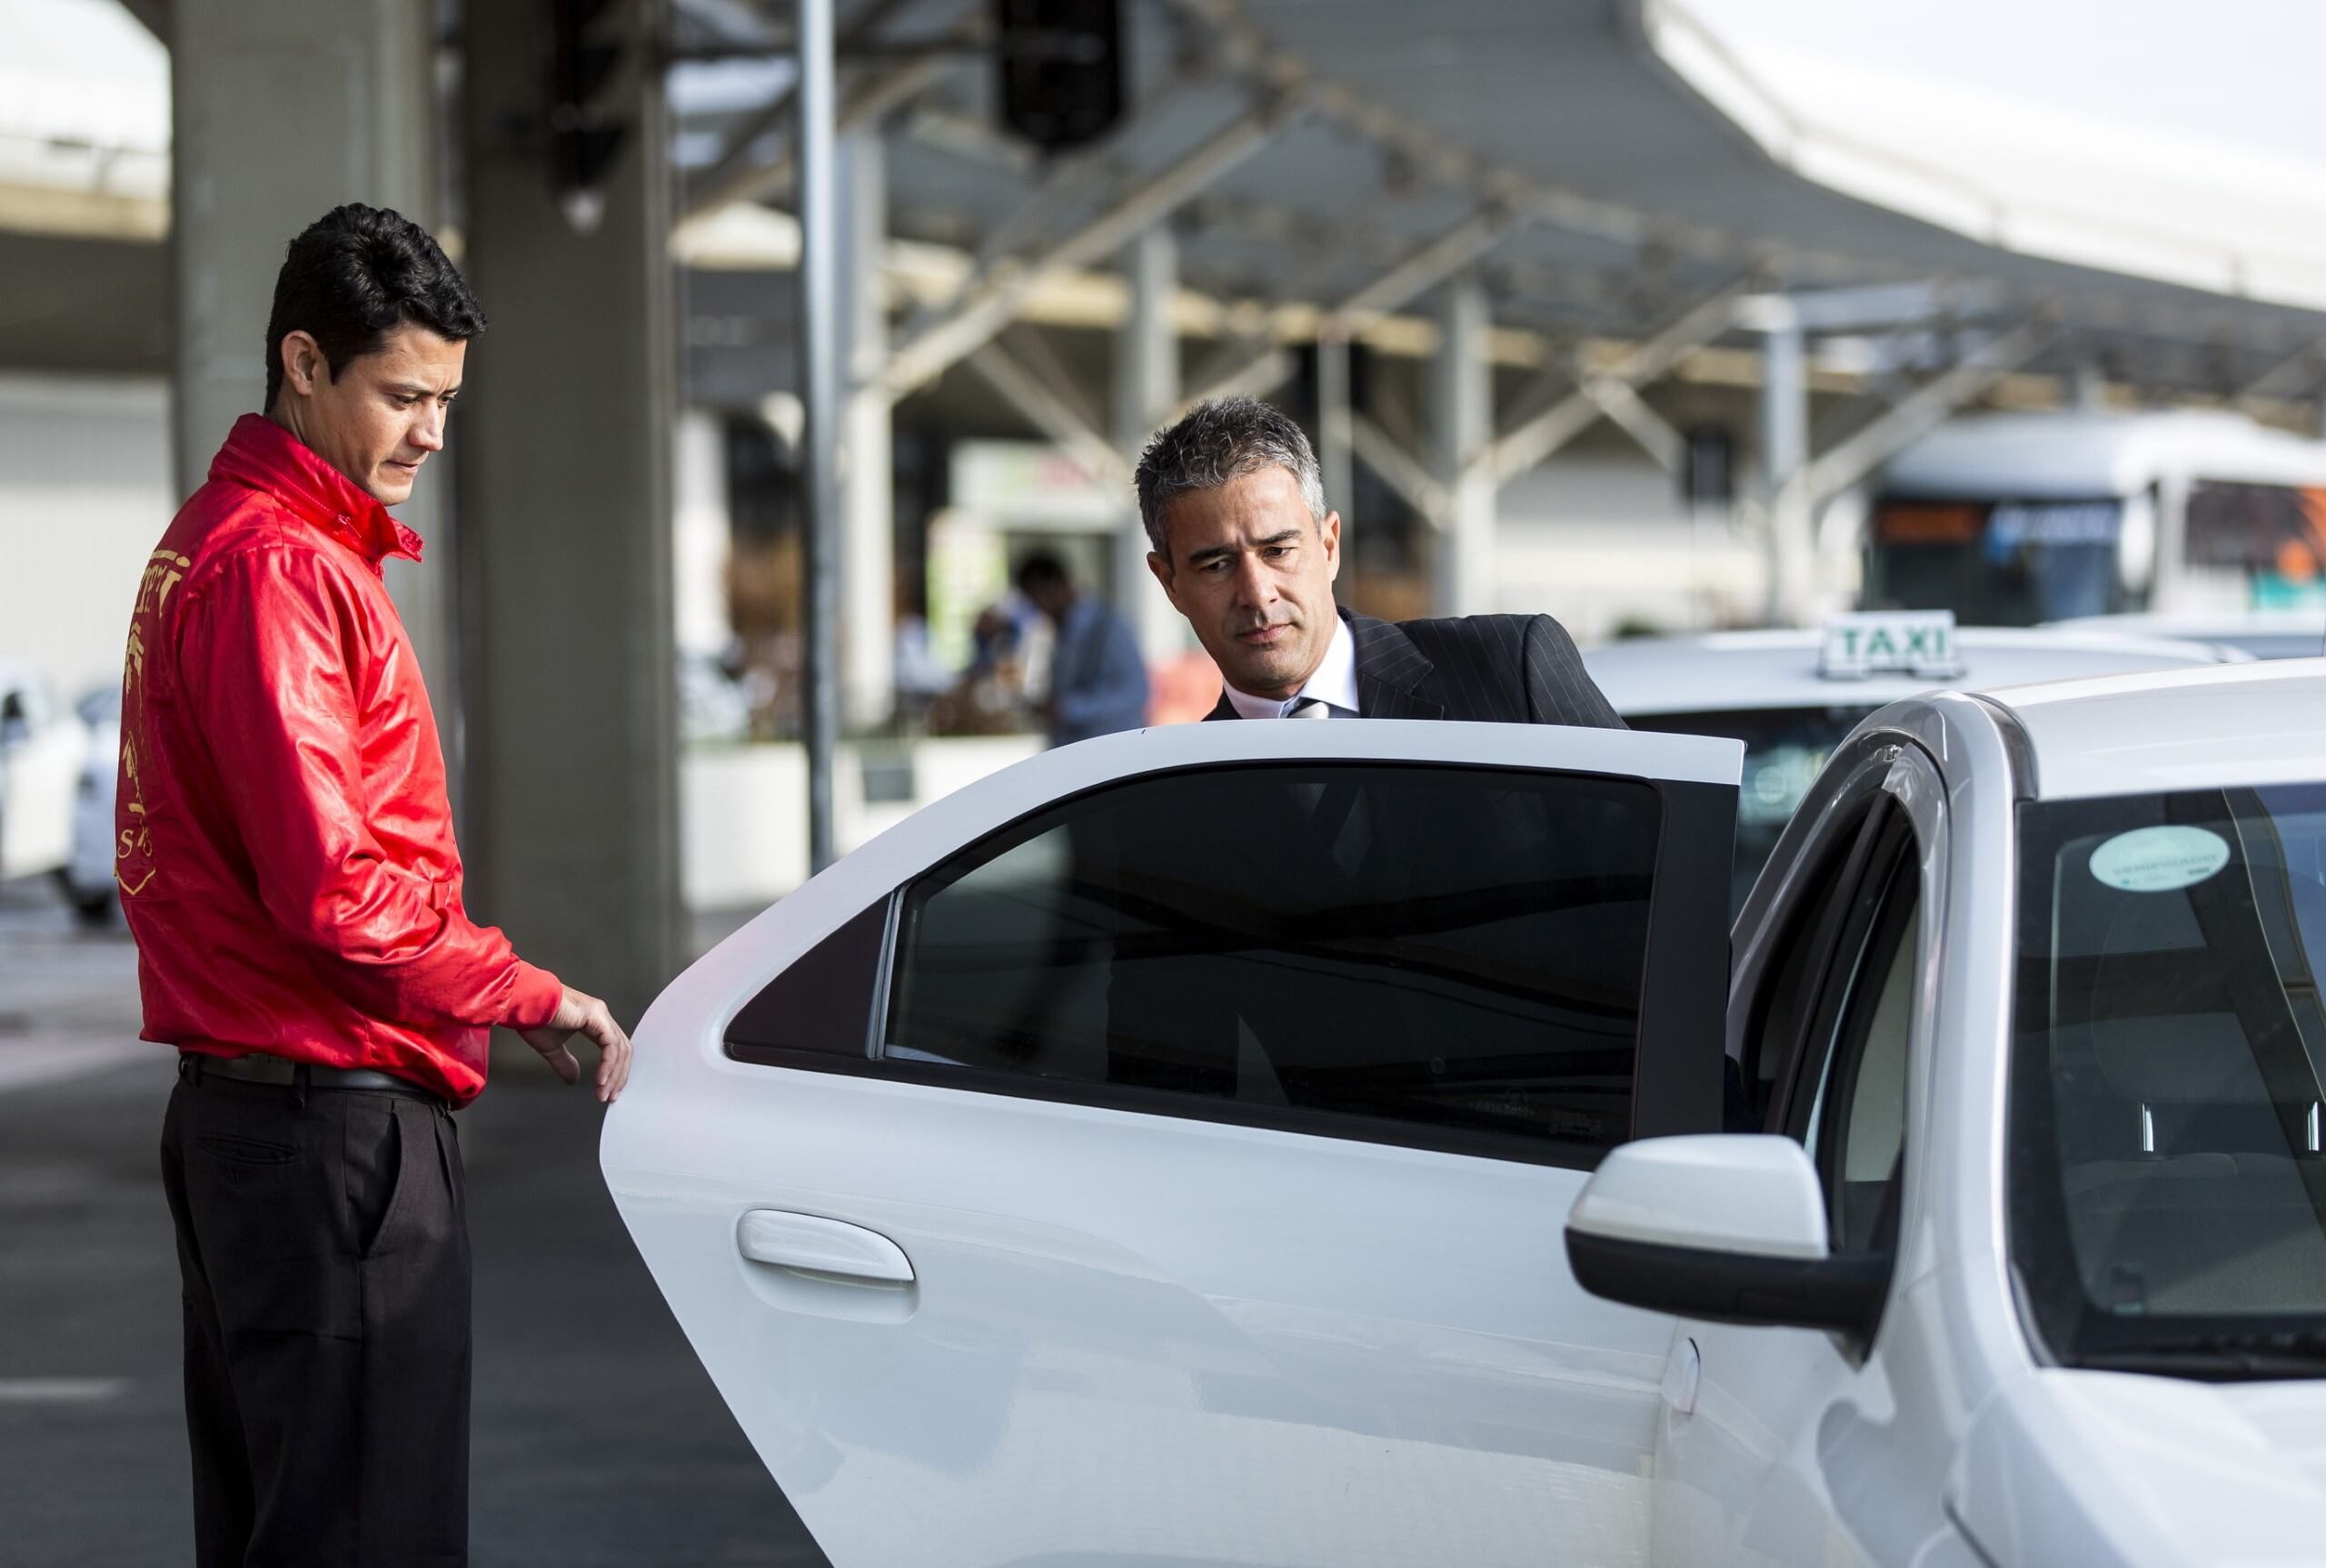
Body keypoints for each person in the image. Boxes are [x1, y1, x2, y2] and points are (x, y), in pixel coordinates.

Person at [119, 203, 631, 1567]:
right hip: (330, 1133)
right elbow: (336, 888)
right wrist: (530, 988)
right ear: (303, 361)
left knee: (288, 1527)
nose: (432, 431)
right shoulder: (280, 569)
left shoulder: (229, 543)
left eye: (447, 398)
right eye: (404, 393)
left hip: (270, 1122)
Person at [1134, 396, 1622, 728]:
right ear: (1169, 582)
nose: (1258, 593)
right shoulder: (1171, 796)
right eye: (1216, 565)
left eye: (1278, 550)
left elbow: (1660, 849)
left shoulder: (1508, 672)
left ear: (1329, 546)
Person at [1015, 551, 1151, 746]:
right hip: (1078, 755)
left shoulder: (1109, 627)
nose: (1040, 608)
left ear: (1059, 586)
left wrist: (1067, 709)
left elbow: (1134, 693)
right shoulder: (1061, 632)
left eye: (1040, 597)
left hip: (1115, 753)